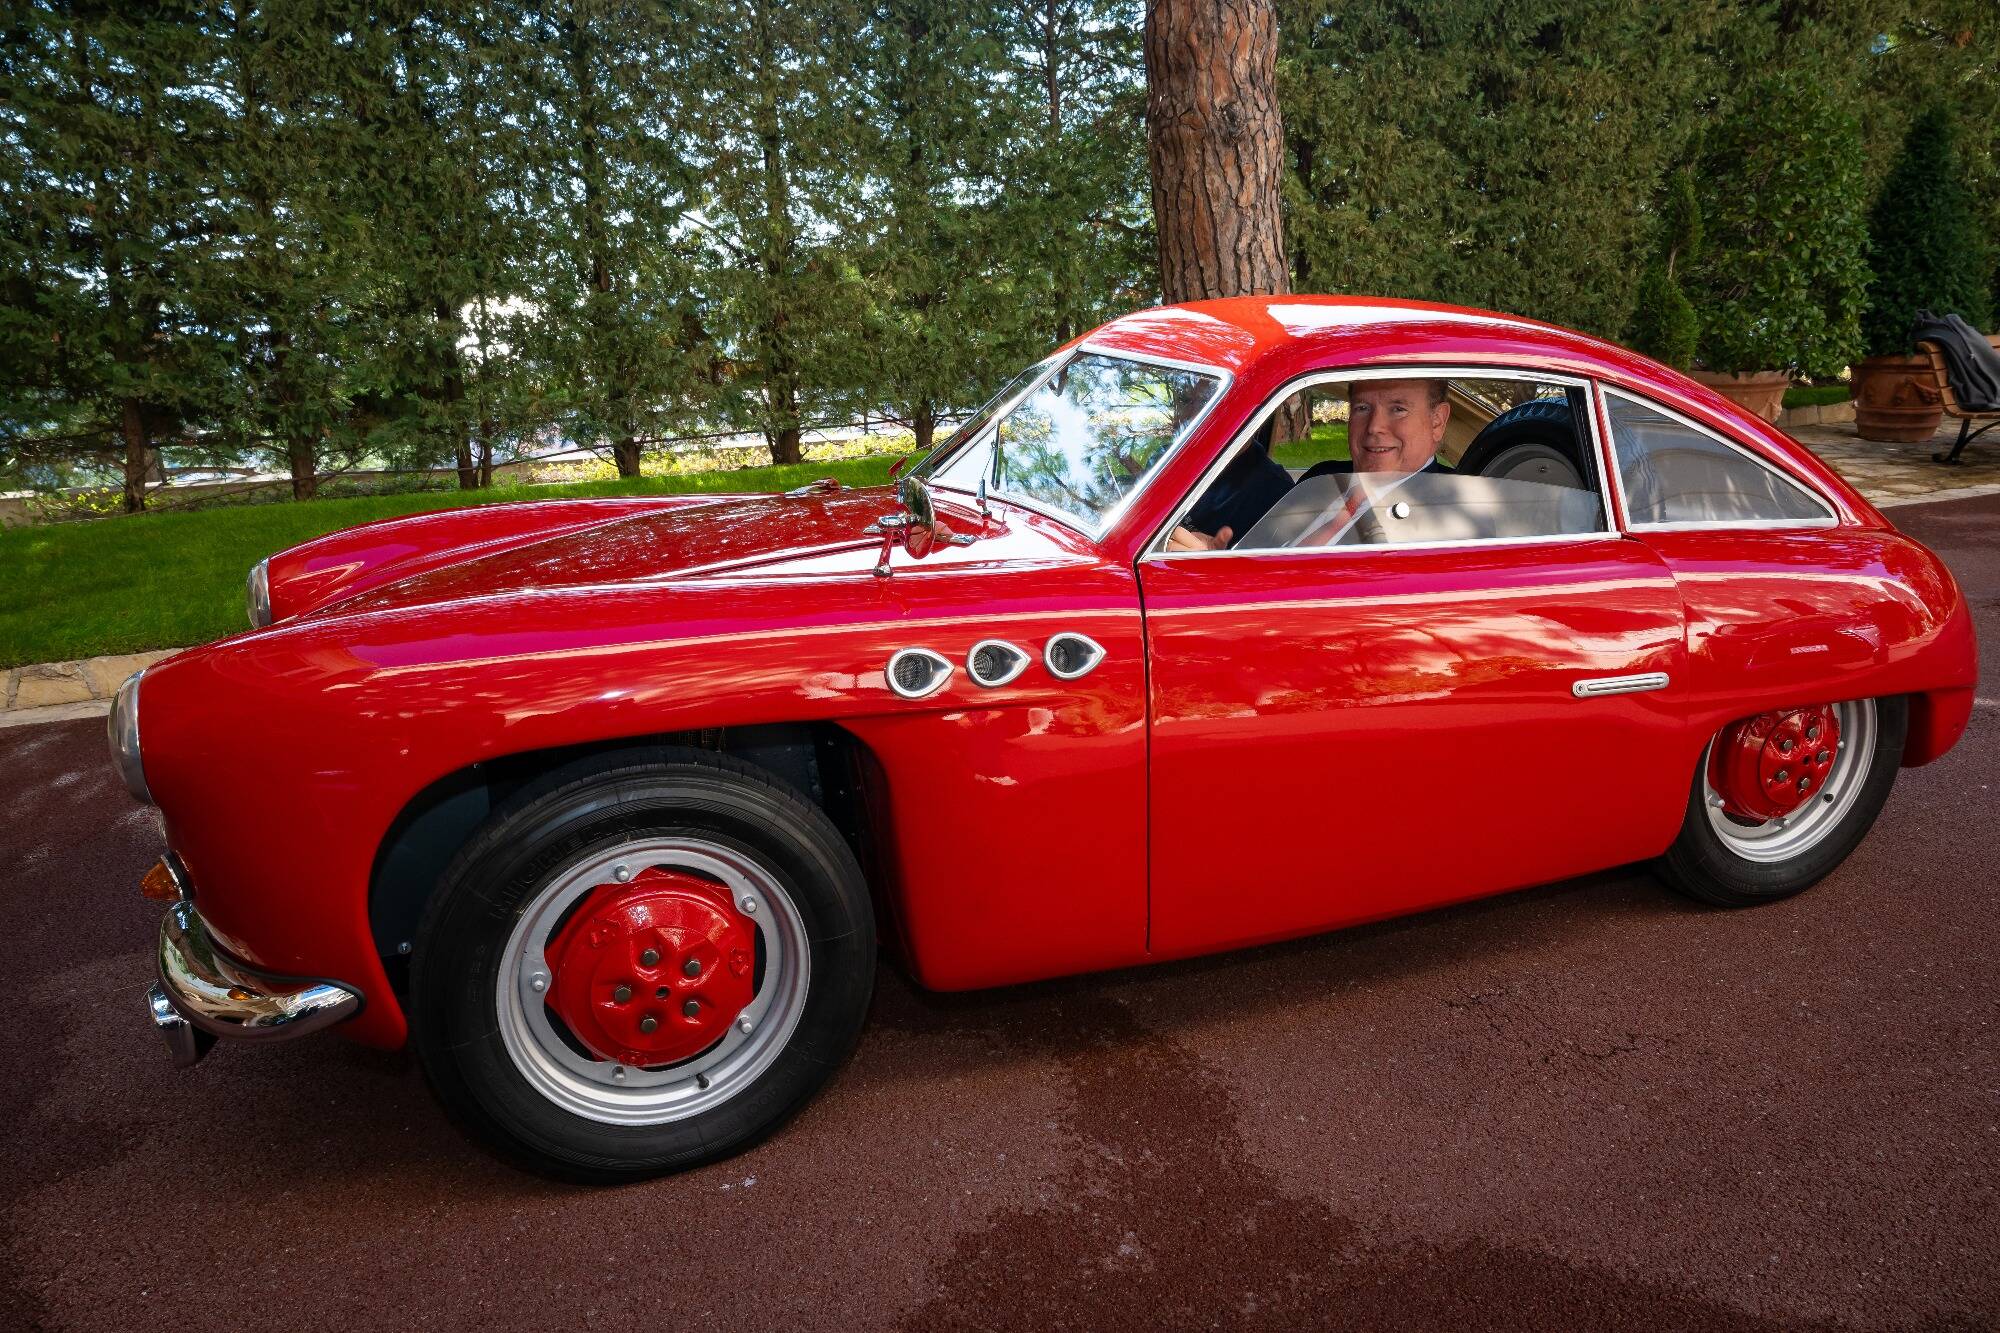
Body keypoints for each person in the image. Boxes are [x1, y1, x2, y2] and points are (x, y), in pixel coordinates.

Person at [1167, 378, 1453, 552]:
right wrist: (1218, 555)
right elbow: (1260, 550)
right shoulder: (1322, 476)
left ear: (1437, 422)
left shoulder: (1450, 516)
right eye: (1362, 408)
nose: (1374, 427)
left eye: (1398, 409)